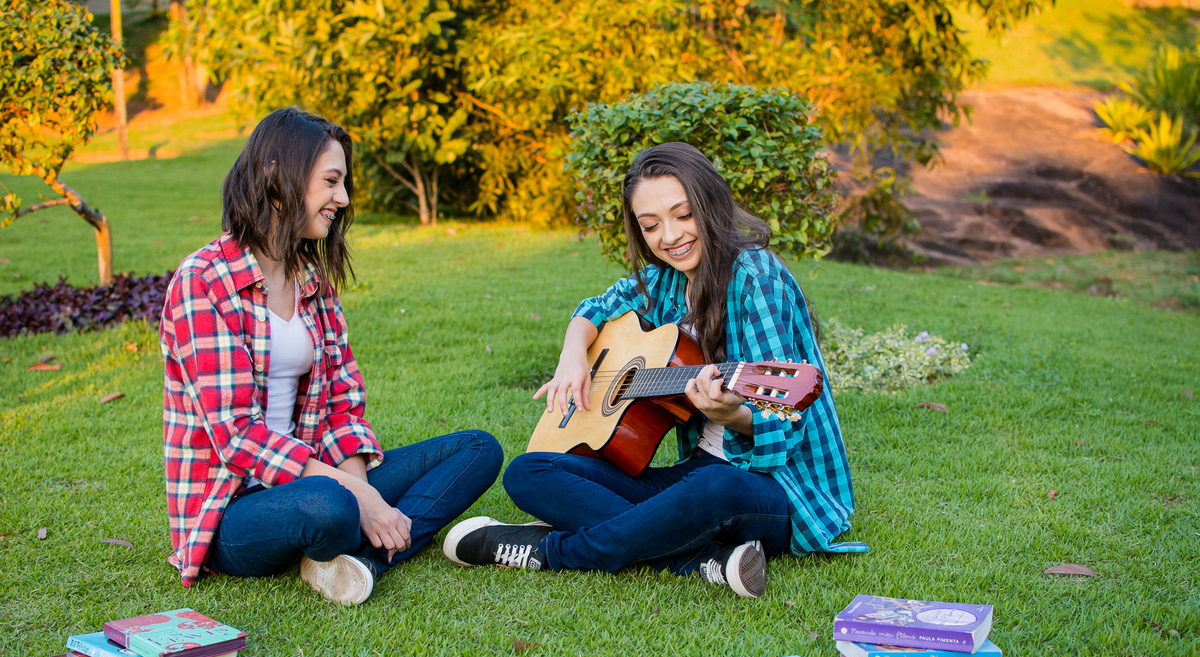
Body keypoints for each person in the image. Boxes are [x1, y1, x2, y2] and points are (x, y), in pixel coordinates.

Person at [442, 141, 865, 598]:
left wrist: (731, 417)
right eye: (651, 225)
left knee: (713, 487)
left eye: (683, 215)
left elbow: (786, 427)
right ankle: (696, 559)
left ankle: (549, 551)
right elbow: (597, 307)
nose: (670, 236)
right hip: (699, 471)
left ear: (710, 203)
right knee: (529, 471)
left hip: (778, 490)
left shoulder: (754, 274)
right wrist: (572, 355)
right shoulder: (666, 278)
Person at [160, 108, 502, 605]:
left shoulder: (312, 281)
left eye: (342, 184)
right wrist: (360, 498)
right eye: (331, 181)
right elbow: (237, 434)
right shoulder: (204, 282)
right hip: (234, 510)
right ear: (278, 176)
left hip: (321, 478)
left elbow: (342, 403)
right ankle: (356, 538)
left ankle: (357, 564)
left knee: (478, 449)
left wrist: (361, 489)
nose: (342, 199)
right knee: (333, 507)